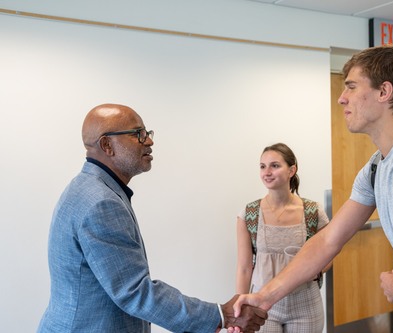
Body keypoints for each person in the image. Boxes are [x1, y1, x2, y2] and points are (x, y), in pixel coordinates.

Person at [232, 45, 393, 333]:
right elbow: (327, 242)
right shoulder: (378, 168)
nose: (341, 98)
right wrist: (263, 298)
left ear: (384, 92)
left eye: (351, 87)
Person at [37, 103, 267, 333]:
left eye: (147, 133)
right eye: (138, 134)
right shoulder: (101, 203)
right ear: (107, 145)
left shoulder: (89, 188)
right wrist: (220, 315)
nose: (149, 141)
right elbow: (135, 292)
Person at [235, 143, 330, 332]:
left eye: (275, 166)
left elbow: (328, 256)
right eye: (262, 166)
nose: (267, 172)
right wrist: (239, 310)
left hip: (305, 303)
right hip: (262, 303)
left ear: (292, 170)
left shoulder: (313, 211)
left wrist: (315, 270)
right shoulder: (249, 213)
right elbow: (245, 268)